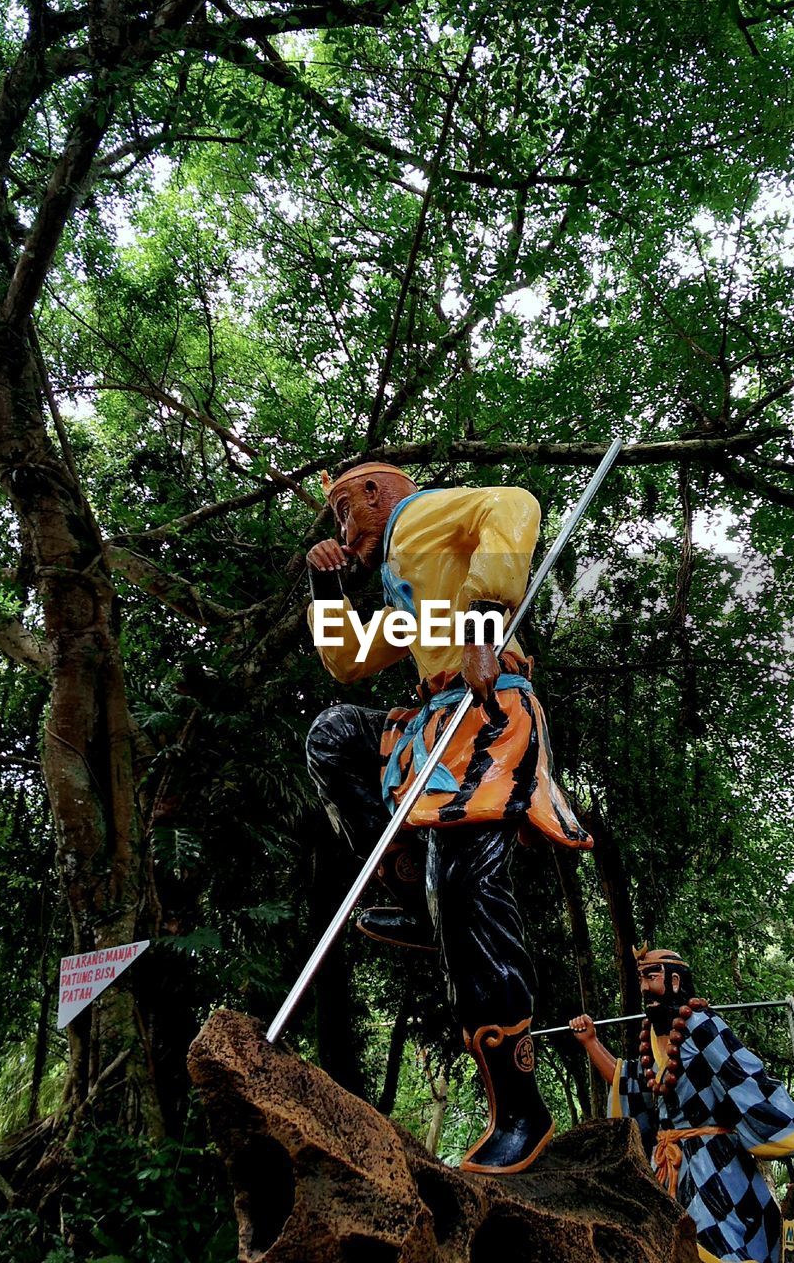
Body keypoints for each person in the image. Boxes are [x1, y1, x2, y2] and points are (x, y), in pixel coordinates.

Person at [305, 461, 591, 1174]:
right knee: (337, 734)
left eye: (345, 511)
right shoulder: (412, 582)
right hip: (432, 725)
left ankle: (520, 1108)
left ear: (374, 493)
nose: (345, 530)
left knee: (467, 892)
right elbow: (349, 661)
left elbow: (515, 503)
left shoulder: (431, 514)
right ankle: (406, 893)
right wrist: (325, 587)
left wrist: (487, 619)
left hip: (489, 717)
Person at [570, 946, 794, 1263]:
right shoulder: (655, 1037)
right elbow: (628, 1081)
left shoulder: (700, 1024)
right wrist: (590, 1041)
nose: (644, 988)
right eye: (641, 978)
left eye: (651, 977)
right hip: (669, 1166)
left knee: (715, 1242)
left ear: (675, 982)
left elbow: (746, 1079)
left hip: (715, 1163)